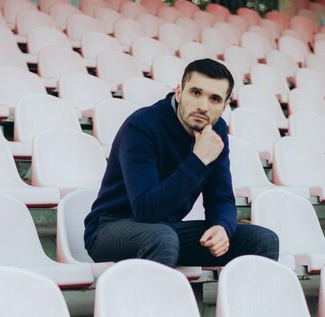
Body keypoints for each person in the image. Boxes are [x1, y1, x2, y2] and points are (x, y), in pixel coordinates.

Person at [84, 58, 279, 268]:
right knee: (162, 238)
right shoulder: (141, 127)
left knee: (263, 241)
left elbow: (220, 197)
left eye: (214, 99)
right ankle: (157, 302)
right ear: (179, 92)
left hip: (166, 231)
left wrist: (222, 227)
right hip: (110, 228)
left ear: (224, 106)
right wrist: (199, 160)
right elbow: (146, 210)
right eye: (195, 93)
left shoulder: (216, 131)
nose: (203, 106)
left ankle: (246, 302)